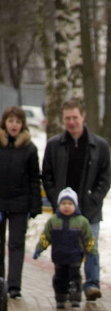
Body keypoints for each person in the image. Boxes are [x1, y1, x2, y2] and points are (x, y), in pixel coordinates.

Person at [42, 98, 111, 301]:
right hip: (63, 211)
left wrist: (94, 199)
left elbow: (105, 178)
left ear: (83, 117)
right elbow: (47, 175)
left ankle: (91, 284)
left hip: (90, 209)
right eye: (67, 118)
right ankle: (66, 287)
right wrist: (57, 200)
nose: (71, 122)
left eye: (75, 117)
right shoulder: (54, 145)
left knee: (91, 247)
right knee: (65, 252)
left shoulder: (100, 146)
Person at [0, 106, 41, 298]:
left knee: (16, 245)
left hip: (20, 204)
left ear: (22, 124)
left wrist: (35, 205)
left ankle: (14, 286)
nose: (14, 125)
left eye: (17, 121)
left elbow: (35, 178)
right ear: (4, 123)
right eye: (10, 121)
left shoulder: (29, 148)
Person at [33, 187, 95, 309]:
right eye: (63, 203)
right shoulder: (53, 221)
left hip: (75, 257)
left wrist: (92, 252)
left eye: (70, 203)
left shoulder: (82, 221)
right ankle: (60, 298)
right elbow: (46, 236)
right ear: (59, 205)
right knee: (59, 279)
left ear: (75, 205)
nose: (66, 206)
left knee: (75, 279)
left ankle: (75, 299)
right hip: (59, 257)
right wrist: (39, 248)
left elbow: (89, 239)